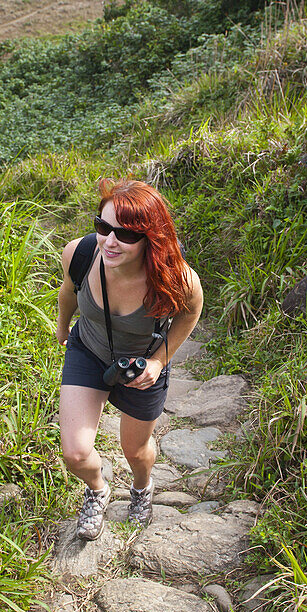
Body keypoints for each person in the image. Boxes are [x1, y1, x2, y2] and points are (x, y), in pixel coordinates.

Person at [56, 178, 203, 541]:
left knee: (135, 451)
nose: (110, 241)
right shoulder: (80, 253)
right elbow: (67, 294)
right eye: (103, 227)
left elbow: (190, 313)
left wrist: (158, 361)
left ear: (150, 237)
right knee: (75, 453)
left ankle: (142, 488)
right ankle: (97, 490)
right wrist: (62, 329)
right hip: (88, 350)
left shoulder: (175, 277)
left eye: (126, 235)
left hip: (142, 365)